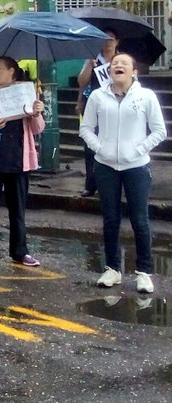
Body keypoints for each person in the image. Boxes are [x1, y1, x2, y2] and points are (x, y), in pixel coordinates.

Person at [80, 52, 167, 293]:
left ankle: (144, 272)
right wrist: (100, 148)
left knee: (140, 220)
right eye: (115, 63)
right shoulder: (98, 96)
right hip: (106, 166)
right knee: (110, 219)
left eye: (124, 63)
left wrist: (138, 150)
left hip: (137, 166)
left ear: (134, 72)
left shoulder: (146, 96)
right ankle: (112, 269)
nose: (118, 65)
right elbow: (86, 128)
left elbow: (159, 131)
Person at [0, 57, 45, 269]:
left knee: (17, 209)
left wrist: (36, 112)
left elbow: (38, 129)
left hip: (19, 160)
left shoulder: (25, 94)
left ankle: (20, 252)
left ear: (12, 72)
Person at [76, 31, 118, 198]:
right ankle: (91, 184)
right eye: (104, 39)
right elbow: (81, 82)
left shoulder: (120, 60)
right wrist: (79, 101)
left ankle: (110, 184)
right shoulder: (93, 58)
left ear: (117, 42)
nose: (107, 43)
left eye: (111, 39)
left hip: (115, 106)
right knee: (90, 145)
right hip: (93, 105)